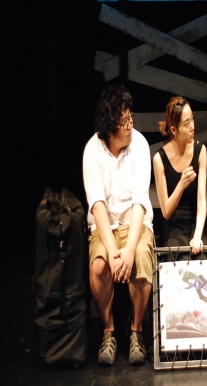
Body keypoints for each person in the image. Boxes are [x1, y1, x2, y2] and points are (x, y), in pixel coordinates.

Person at [83, 85, 154, 366]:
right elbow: (97, 206)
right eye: (124, 122)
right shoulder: (93, 150)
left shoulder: (140, 145)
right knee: (99, 266)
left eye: (130, 118)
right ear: (110, 128)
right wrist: (113, 252)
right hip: (105, 228)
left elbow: (139, 203)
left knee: (141, 259)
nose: (130, 125)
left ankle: (136, 331)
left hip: (135, 223)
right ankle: (109, 330)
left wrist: (129, 249)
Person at [152, 96, 207, 259]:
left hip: (195, 224)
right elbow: (166, 211)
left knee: (202, 261)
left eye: (192, 120)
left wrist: (197, 236)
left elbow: (201, 201)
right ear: (174, 130)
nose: (192, 127)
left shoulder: (200, 150)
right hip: (172, 226)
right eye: (186, 123)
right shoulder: (159, 159)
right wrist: (181, 184)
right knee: (176, 261)